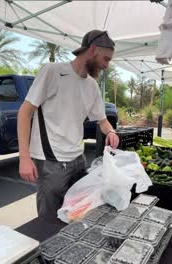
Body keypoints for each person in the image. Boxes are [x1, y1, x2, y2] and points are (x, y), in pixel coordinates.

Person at [17, 30, 120, 220]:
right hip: (50, 159)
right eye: (105, 59)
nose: (106, 66)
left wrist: (111, 132)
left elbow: (102, 119)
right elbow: (25, 112)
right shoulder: (53, 71)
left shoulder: (92, 85)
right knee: (49, 218)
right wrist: (24, 157)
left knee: (76, 212)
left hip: (78, 158)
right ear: (93, 50)